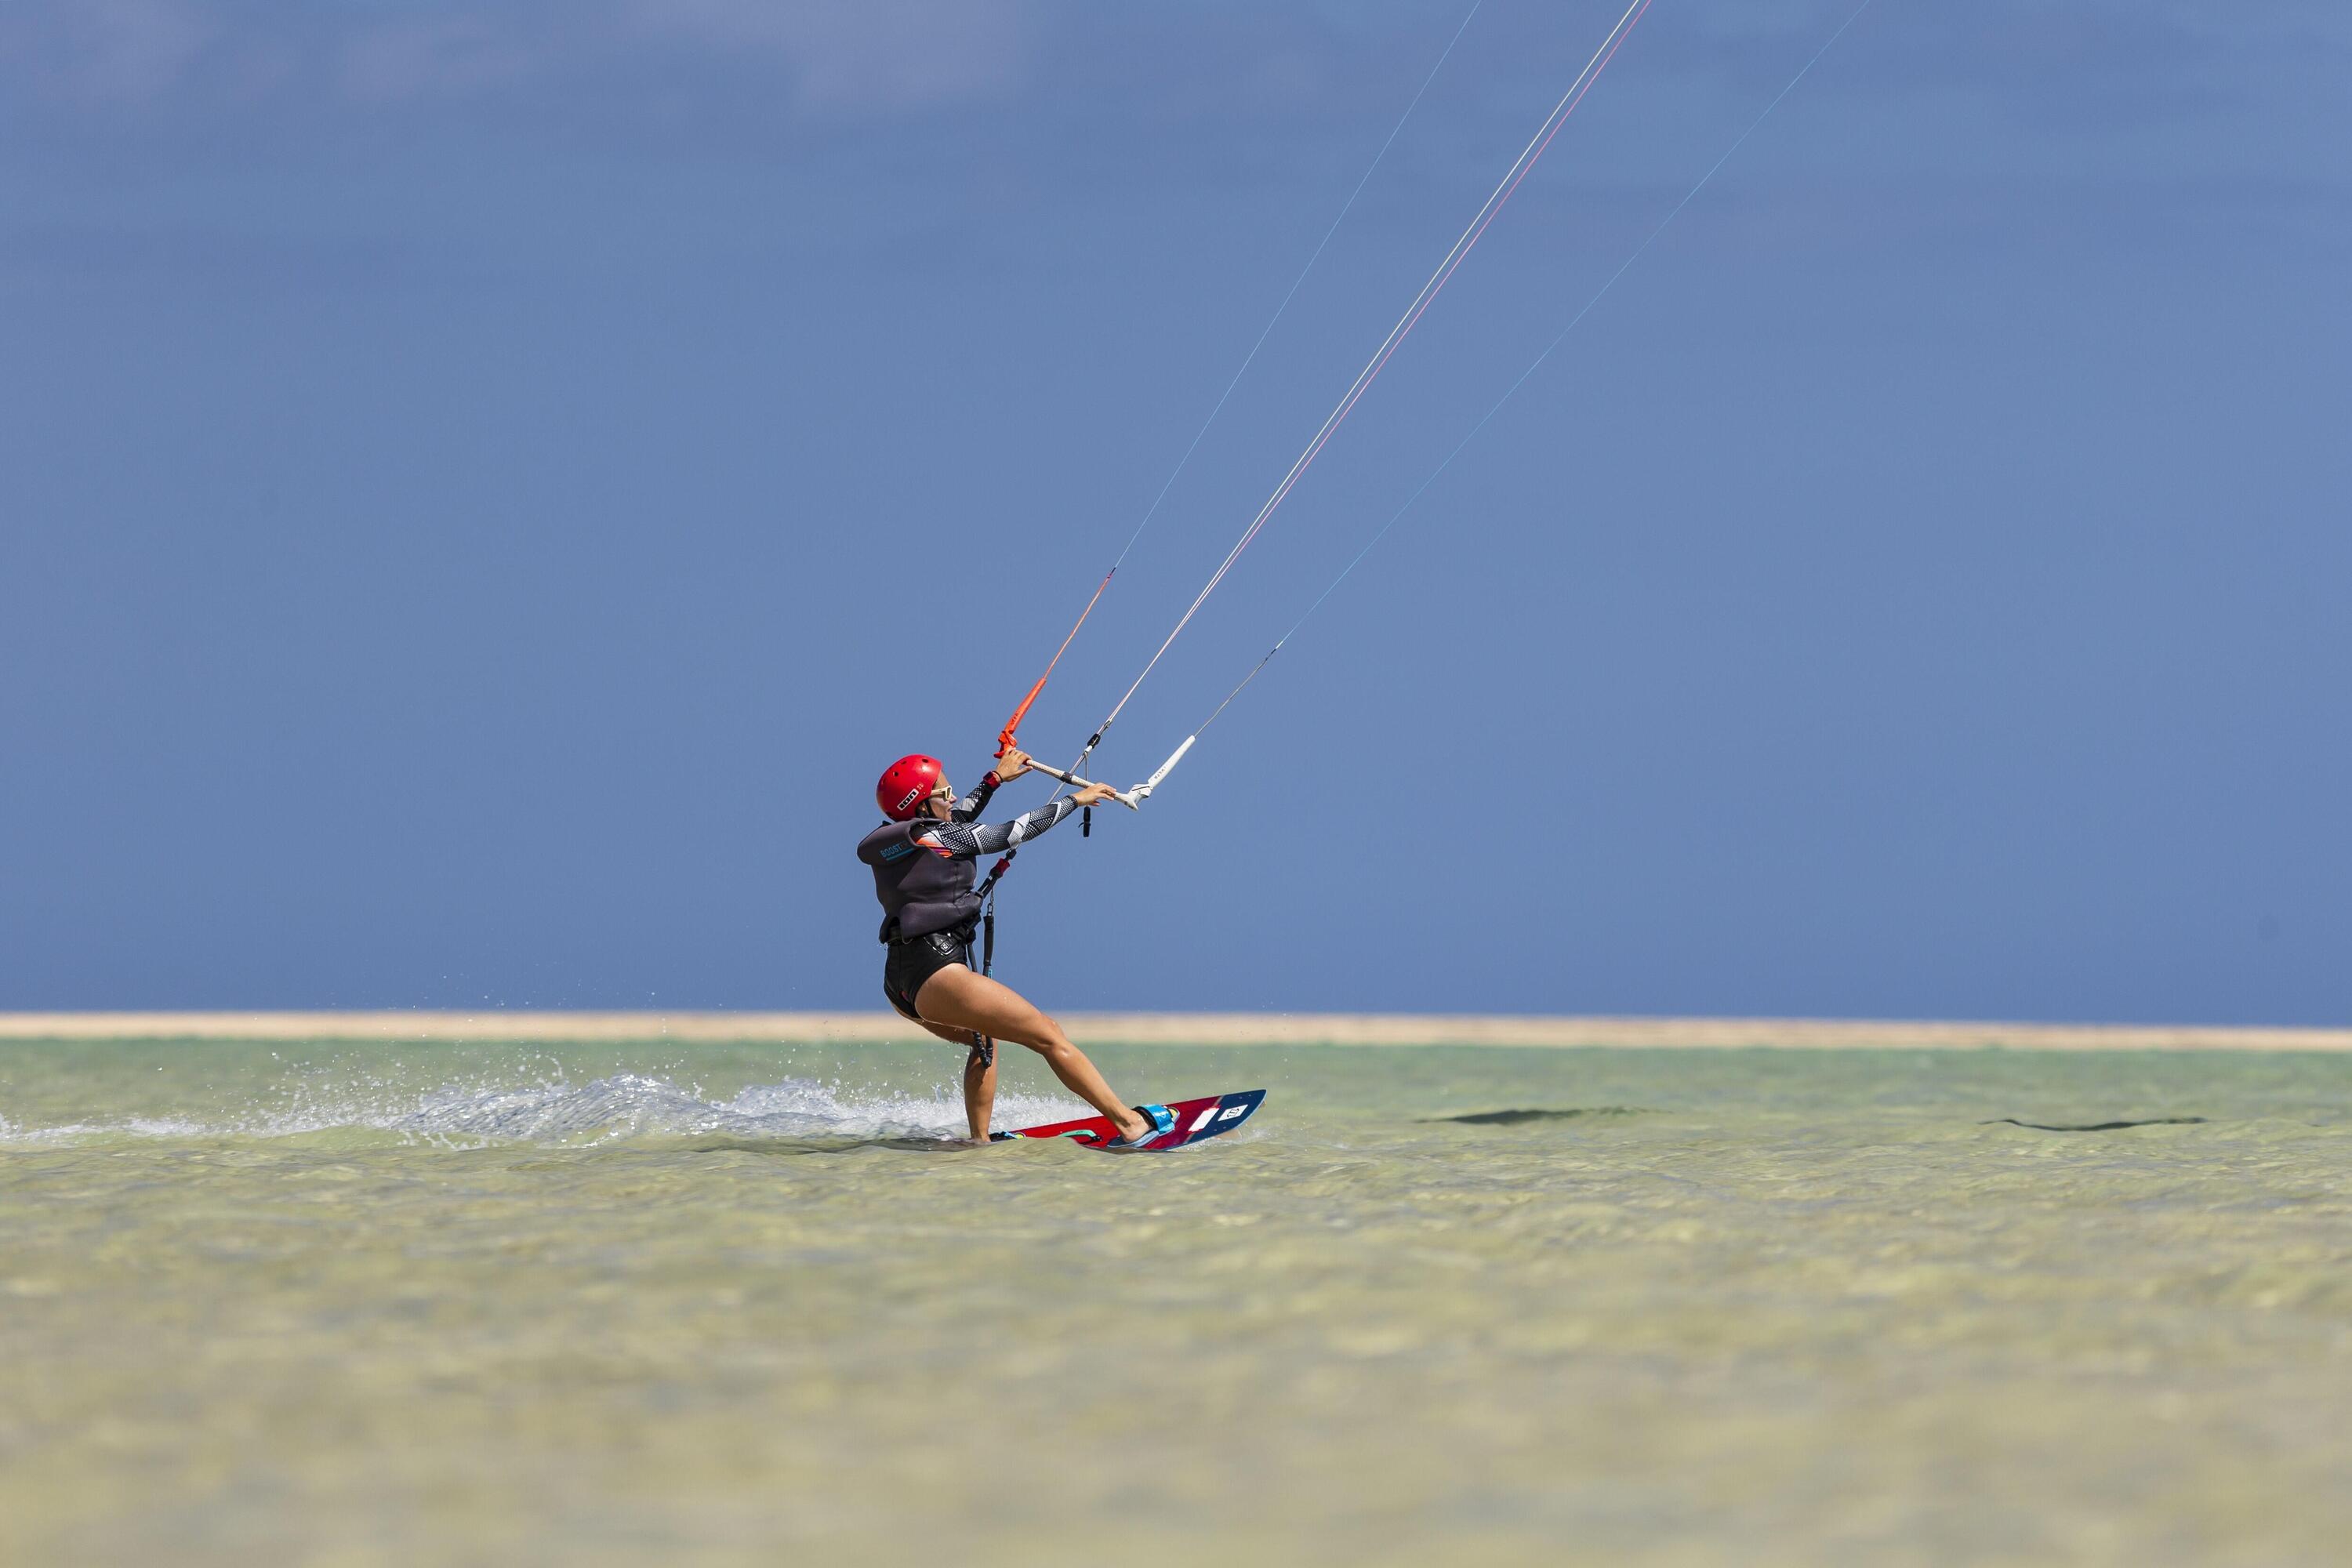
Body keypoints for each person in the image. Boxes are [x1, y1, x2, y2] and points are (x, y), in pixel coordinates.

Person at [857, 747, 1173, 1146]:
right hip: (935, 968)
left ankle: (979, 1141)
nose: (953, 797)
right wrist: (1076, 800)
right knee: (1048, 1035)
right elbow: (1007, 834)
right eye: (945, 791)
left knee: (983, 1038)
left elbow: (959, 817)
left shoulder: (907, 837)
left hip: (902, 977)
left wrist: (995, 779)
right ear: (919, 802)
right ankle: (1129, 1124)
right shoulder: (933, 835)